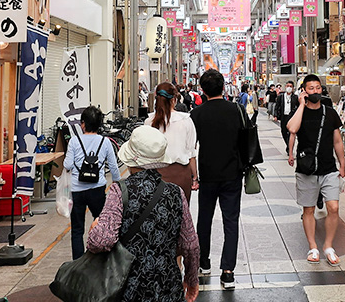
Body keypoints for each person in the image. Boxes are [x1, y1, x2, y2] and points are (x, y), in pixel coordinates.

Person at [87, 126, 199, 302]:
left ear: (131, 160)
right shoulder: (176, 193)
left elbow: (103, 240)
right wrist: (191, 279)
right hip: (168, 288)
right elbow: (190, 245)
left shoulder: (119, 191)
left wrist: (95, 229)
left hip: (127, 289)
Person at [190, 69, 245, 289]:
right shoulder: (237, 110)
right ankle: (228, 272)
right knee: (230, 221)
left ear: (202, 90)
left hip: (208, 174)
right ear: (224, 87)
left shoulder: (197, 114)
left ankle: (204, 262)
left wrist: (194, 176)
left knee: (204, 219)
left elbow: (191, 148)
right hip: (233, 173)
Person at [286, 74, 345, 267]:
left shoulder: (330, 113)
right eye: (311, 88)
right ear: (304, 91)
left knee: (333, 207)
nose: (315, 92)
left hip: (328, 167)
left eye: (318, 88)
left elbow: (337, 141)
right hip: (306, 169)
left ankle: (328, 246)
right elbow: (292, 128)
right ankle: (313, 247)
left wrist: (342, 164)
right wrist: (302, 105)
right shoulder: (300, 112)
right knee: (309, 209)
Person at [63, 106, 120, 260]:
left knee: (77, 230)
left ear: (83, 124)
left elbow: (67, 165)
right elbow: (114, 167)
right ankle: (102, 261)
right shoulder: (105, 142)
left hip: (77, 190)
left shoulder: (74, 141)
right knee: (103, 226)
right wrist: (117, 184)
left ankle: (78, 264)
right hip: (97, 189)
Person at [145, 83, 198, 202]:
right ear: (174, 99)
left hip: (155, 175)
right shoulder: (185, 121)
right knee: (180, 216)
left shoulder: (149, 122)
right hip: (180, 174)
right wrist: (194, 177)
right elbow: (191, 154)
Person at [278, 81, 300, 153]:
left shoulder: (295, 97)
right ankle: (288, 144)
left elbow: (298, 107)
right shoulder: (280, 96)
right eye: (287, 86)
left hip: (292, 117)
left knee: (291, 132)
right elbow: (277, 106)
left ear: (293, 88)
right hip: (283, 116)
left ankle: (289, 147)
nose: (289, 88)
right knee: (284, 132)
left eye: (290, 86)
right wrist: (275, 115)